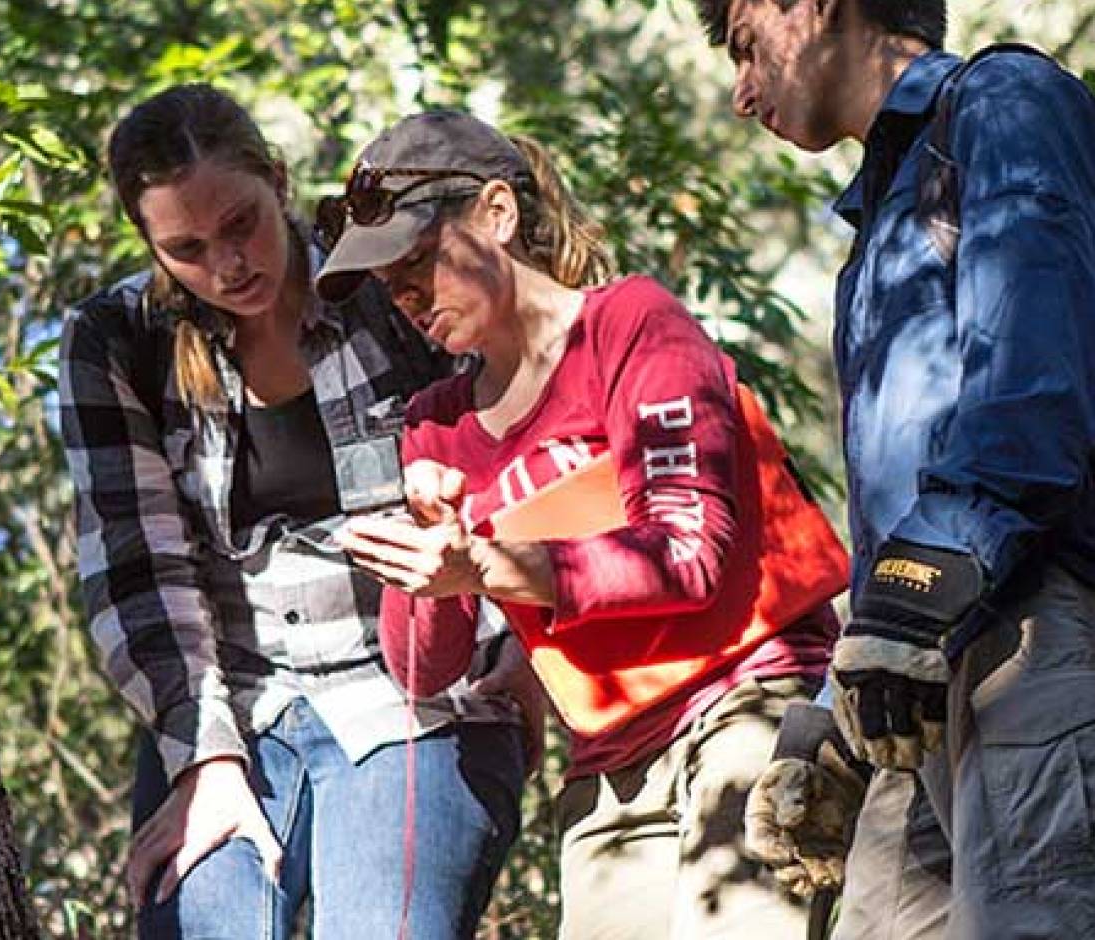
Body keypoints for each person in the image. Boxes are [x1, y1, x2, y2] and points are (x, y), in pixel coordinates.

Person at [697, 0, 1095, 936]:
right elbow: (912, 493)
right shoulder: (892, 200)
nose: (740, 93)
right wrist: (843, 719)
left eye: (744, 46)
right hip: (942, 656)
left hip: (1050, 628)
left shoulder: (1007, 102)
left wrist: (920, 590)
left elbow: (1036, 377)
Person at [318, 110, 845, 939]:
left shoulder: (631, 324)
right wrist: (419, 559)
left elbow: (687, 553)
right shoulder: (434, 423)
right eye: (390, 283)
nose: (407, 295)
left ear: (498, 214)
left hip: (750, 703)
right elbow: (427, 671)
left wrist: (486, 563)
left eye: (417, 260)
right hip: (610, 768)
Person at [57, 84, 536, 940]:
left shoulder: (386, 288)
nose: (227, 265)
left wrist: (534, 654)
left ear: (276, 180)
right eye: (187, 249)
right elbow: (137, 568)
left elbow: (528, 450)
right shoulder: (117, 340)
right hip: (230, 707)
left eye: (240, 223)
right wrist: (204, 760)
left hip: (419, 695)